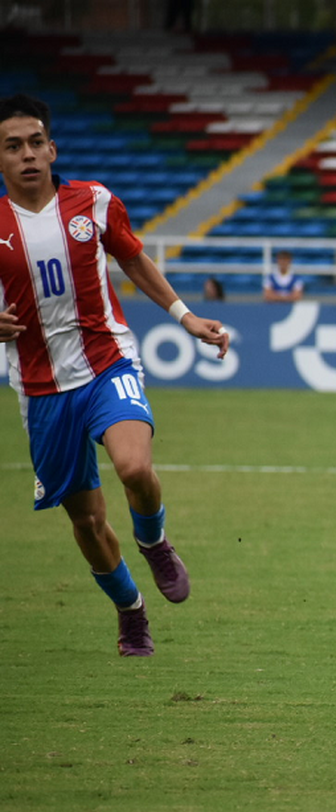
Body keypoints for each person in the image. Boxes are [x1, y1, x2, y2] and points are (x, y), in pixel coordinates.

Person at [0, 93, 230, 656]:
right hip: (41, 388)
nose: (27, 154)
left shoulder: (95, 203)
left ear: (52, 149)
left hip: (108, 362)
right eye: (13, 146)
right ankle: (131, 613)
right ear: (1, 160)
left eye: (35, 142)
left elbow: (132, 258)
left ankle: (153, 541)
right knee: (87, 521)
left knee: (133, 465)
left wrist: (186, 317)